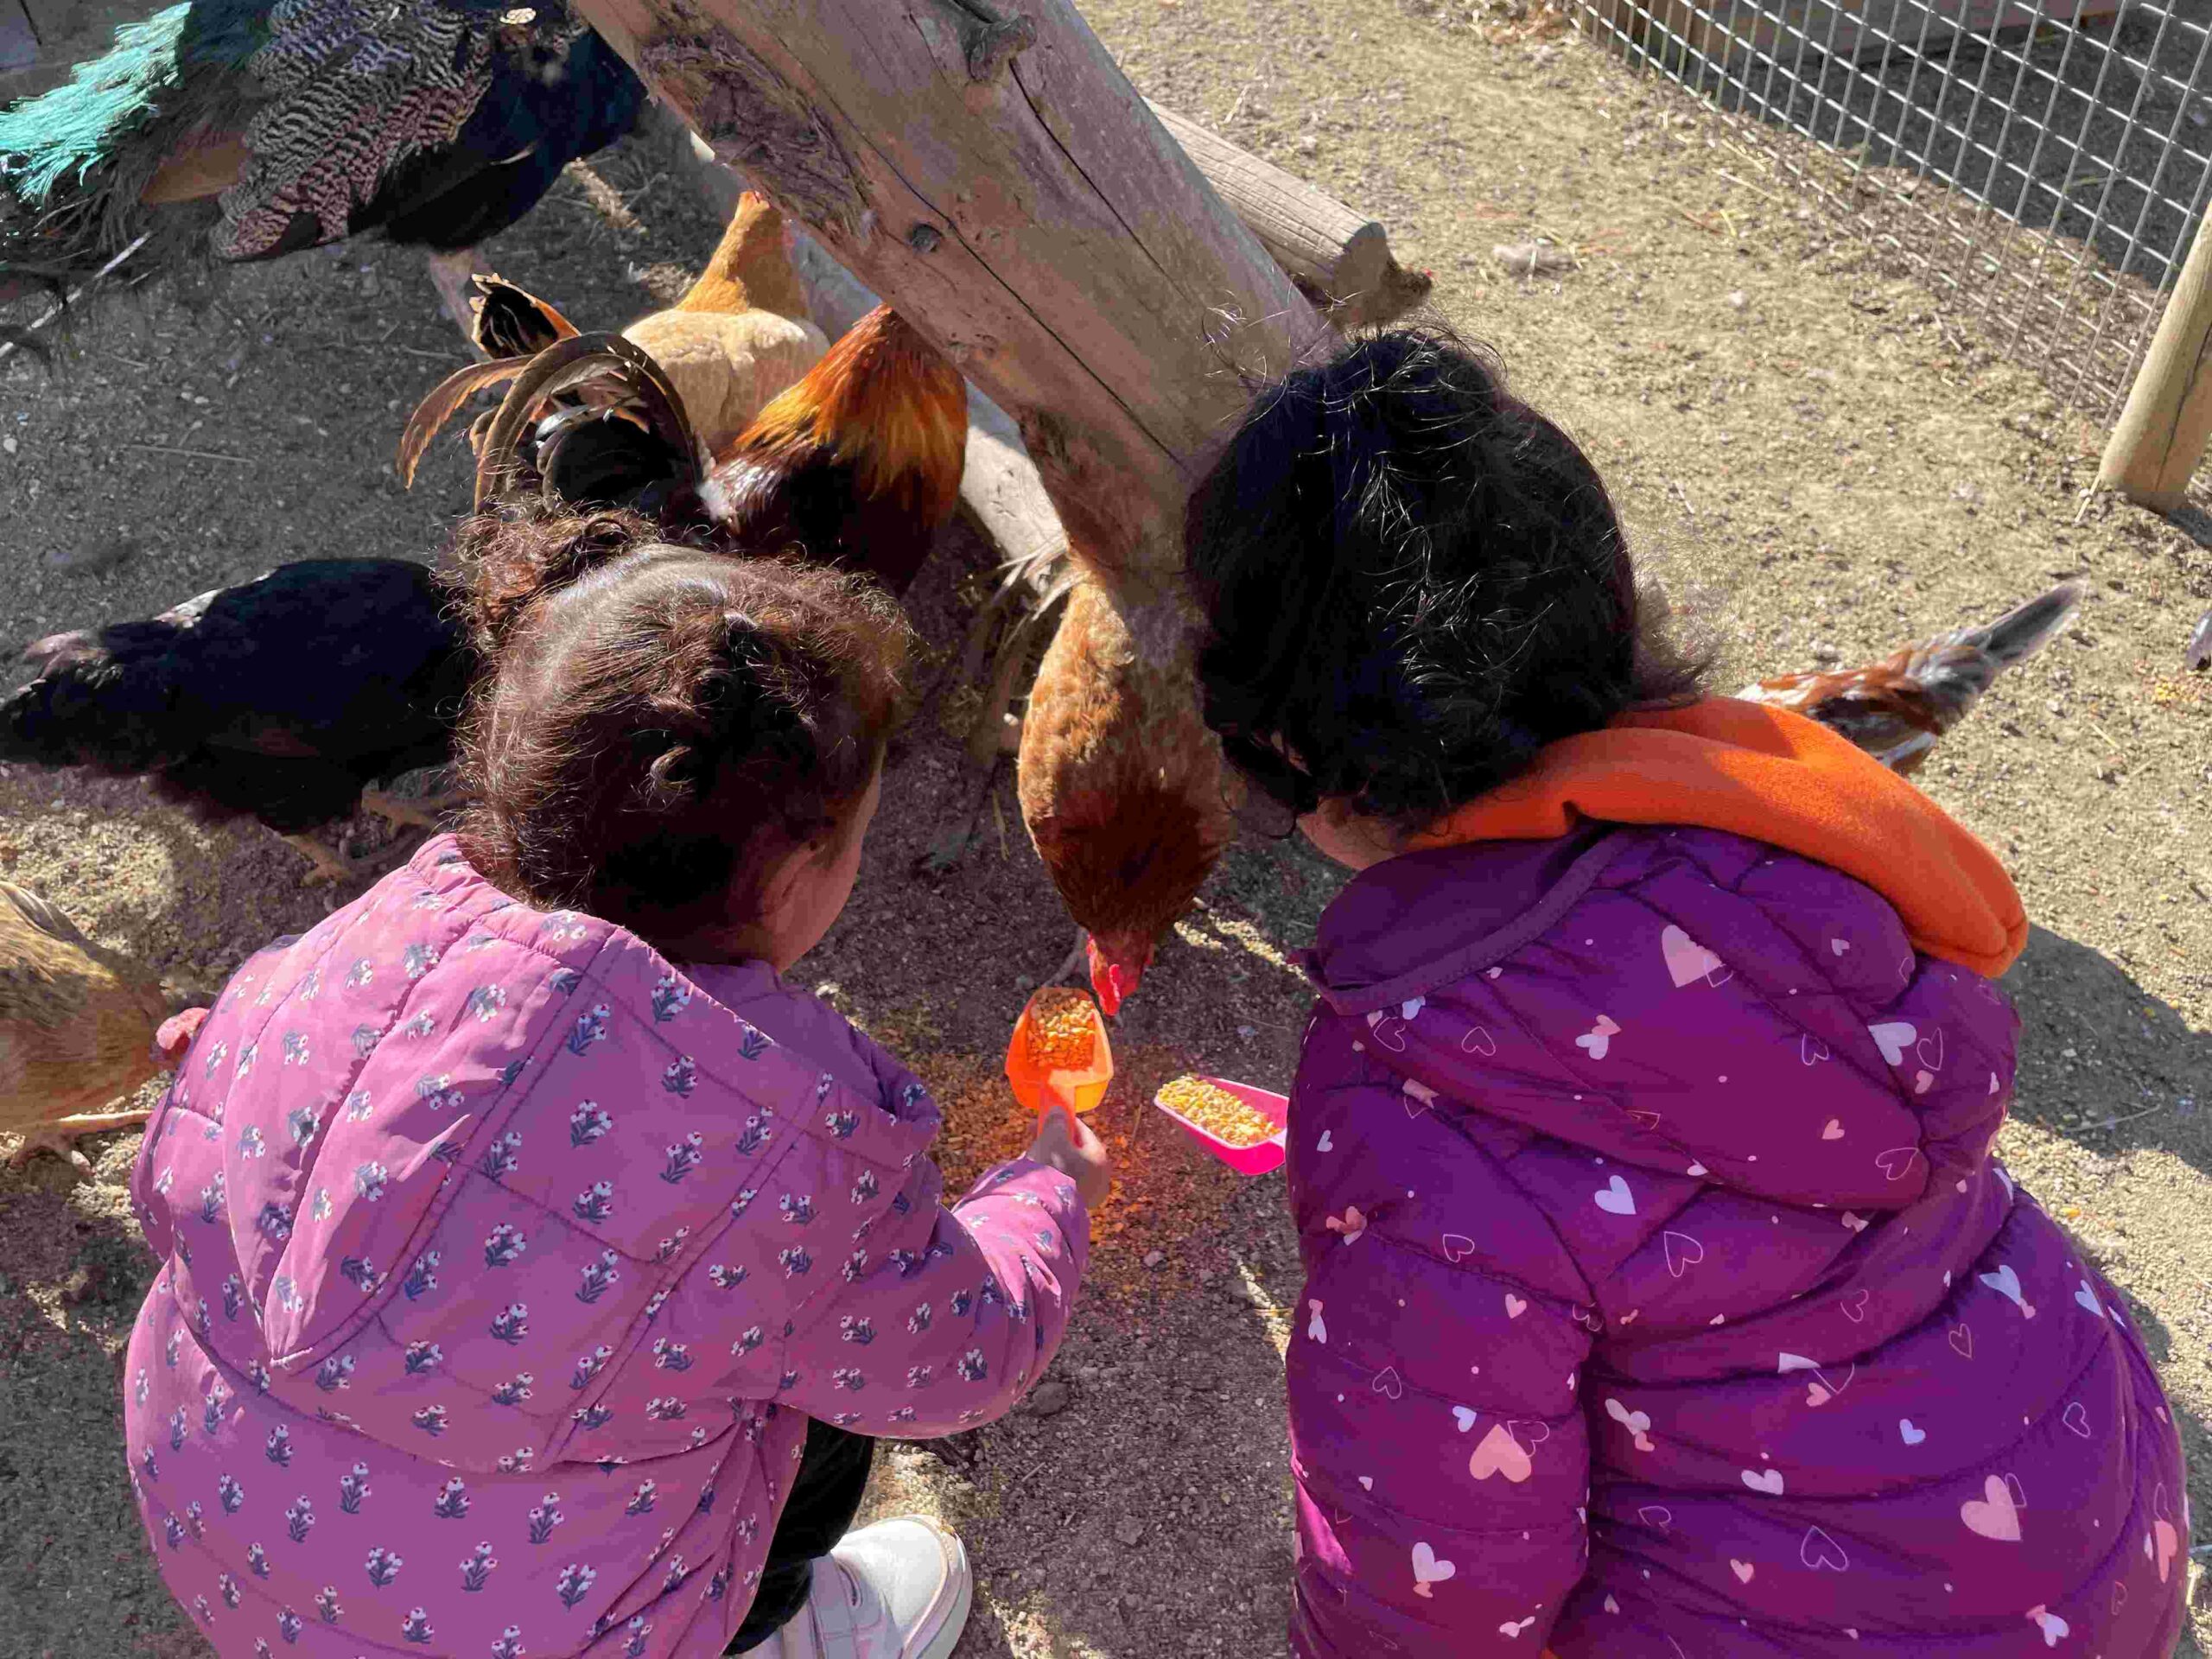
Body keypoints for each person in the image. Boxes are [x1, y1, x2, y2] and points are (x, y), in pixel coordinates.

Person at [1185, 327, 2190, 1659]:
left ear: (1292, 751)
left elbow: (1427, 1578)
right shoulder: (1791, 839)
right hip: (2098, 1523)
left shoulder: (1415, 1094)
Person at [120, 505, 1109, 1659]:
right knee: (816, 1375)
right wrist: (1050, 1191)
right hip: (518, 1631)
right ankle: (771, 1626)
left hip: (218, 1534)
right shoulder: (787, 1140)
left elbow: (192, 1132)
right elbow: (963, 1353)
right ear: (798, 869)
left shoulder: (354, 947)